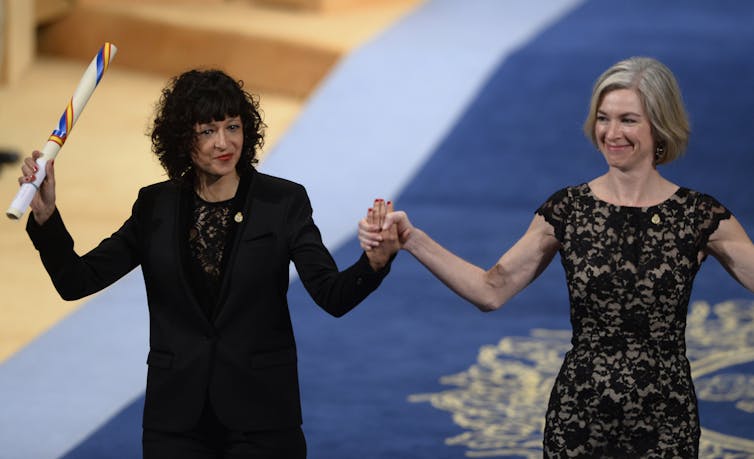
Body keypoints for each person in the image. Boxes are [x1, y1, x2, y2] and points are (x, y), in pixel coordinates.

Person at [359, 57, 754, 457]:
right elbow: (490, 290)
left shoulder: (698, 216)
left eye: (628, 120)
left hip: (666, 422)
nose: (611, 133)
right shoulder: (569, 210)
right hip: (579, 416)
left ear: (660, 126)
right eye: (603, 118)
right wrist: (413, 240)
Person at [20, 69, 394, 459]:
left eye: (232, 126)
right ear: (183, 139)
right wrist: (47, 219)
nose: (224, 143)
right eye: (207, 131)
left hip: (261, 419)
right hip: (177, 423)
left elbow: (331, 295)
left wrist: (374, 263)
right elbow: (77, 281)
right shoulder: (155, 207)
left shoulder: (283, 203)